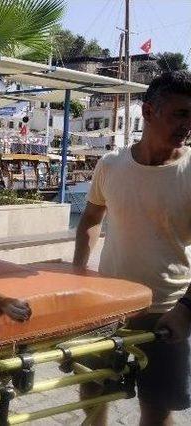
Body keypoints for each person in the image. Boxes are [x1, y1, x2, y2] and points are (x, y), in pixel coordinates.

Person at [73, 70, 191, 426]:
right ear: (149, 112)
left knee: (156, 411)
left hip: (167, 311)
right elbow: (91, 218)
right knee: (94, 394)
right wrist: (80, 276)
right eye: (180, 113)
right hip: (108, 308)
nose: (188, 124)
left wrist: (187, 310)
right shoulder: (111, 165)